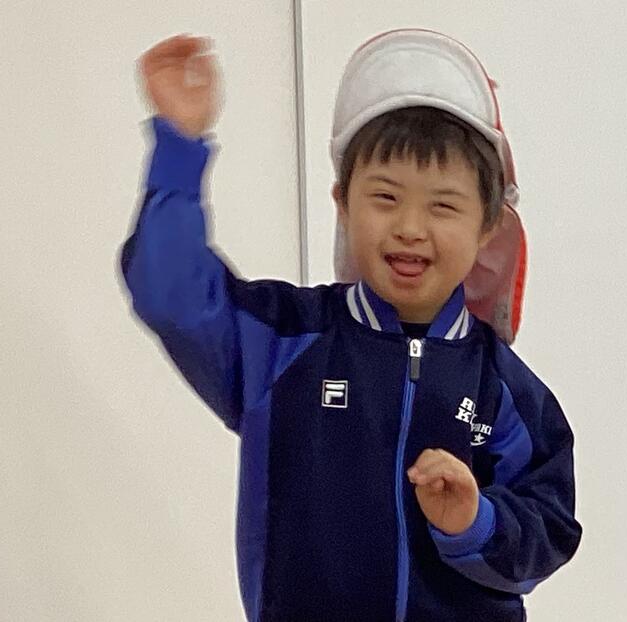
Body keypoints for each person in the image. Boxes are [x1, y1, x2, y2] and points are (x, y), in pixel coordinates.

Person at [119, 28, 581, 622]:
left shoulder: (506, 390)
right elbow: (170, 293)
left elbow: (548, 530)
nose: (410, 227)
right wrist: (181, 146)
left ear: (488, 225)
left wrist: (474, 522)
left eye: (443, 205)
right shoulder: (280, 342)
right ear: (342, 202)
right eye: (385, 197)